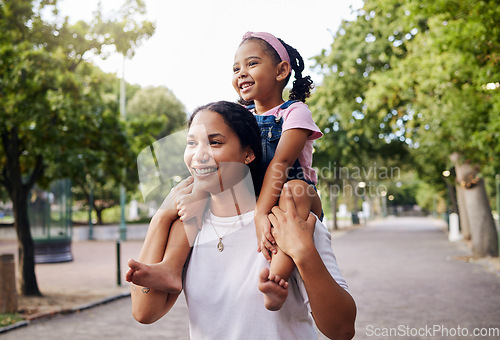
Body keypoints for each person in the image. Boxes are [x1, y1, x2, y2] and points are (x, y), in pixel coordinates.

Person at [126, 101, 356, 339]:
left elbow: (342, 330)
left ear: (248, 154)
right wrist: (161, 217)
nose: (199, 155)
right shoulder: (186, 228)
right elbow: (144, 312)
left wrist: (303, 251)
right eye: (192, 143)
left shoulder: (288, 220)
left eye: (215, 142)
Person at [232, 31, 323, 310]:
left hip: (297, 197)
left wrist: (261, 212)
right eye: (236, 68)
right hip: (258, 196)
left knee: (293, 190)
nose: (241, 73)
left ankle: (276, 279)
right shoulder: (239, 117)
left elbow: (281, 164)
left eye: (252, 64)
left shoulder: (294, 112)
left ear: (282, 70)